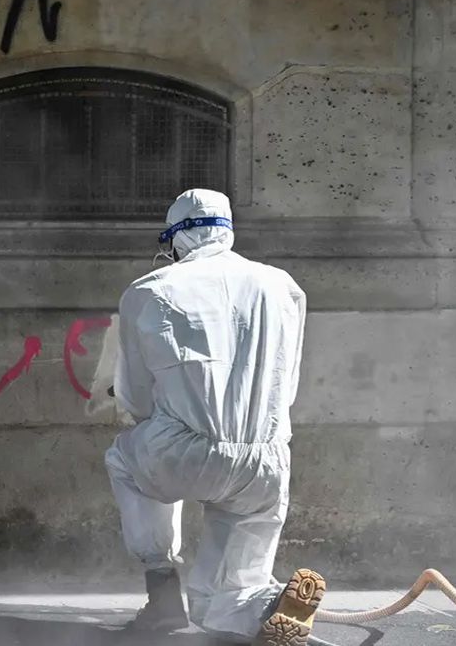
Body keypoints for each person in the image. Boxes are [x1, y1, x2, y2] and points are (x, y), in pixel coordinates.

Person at [105, 189, 325, 646]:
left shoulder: (150, 290)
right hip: (263, 458)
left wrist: (159, 420)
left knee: (124, 461)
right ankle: (257, 608)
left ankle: (162, 591)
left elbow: (136, 398)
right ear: (228, 230)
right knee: (232, 588)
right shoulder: (282, 285)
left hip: (180, 451)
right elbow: (289, 376)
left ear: (173, 239)